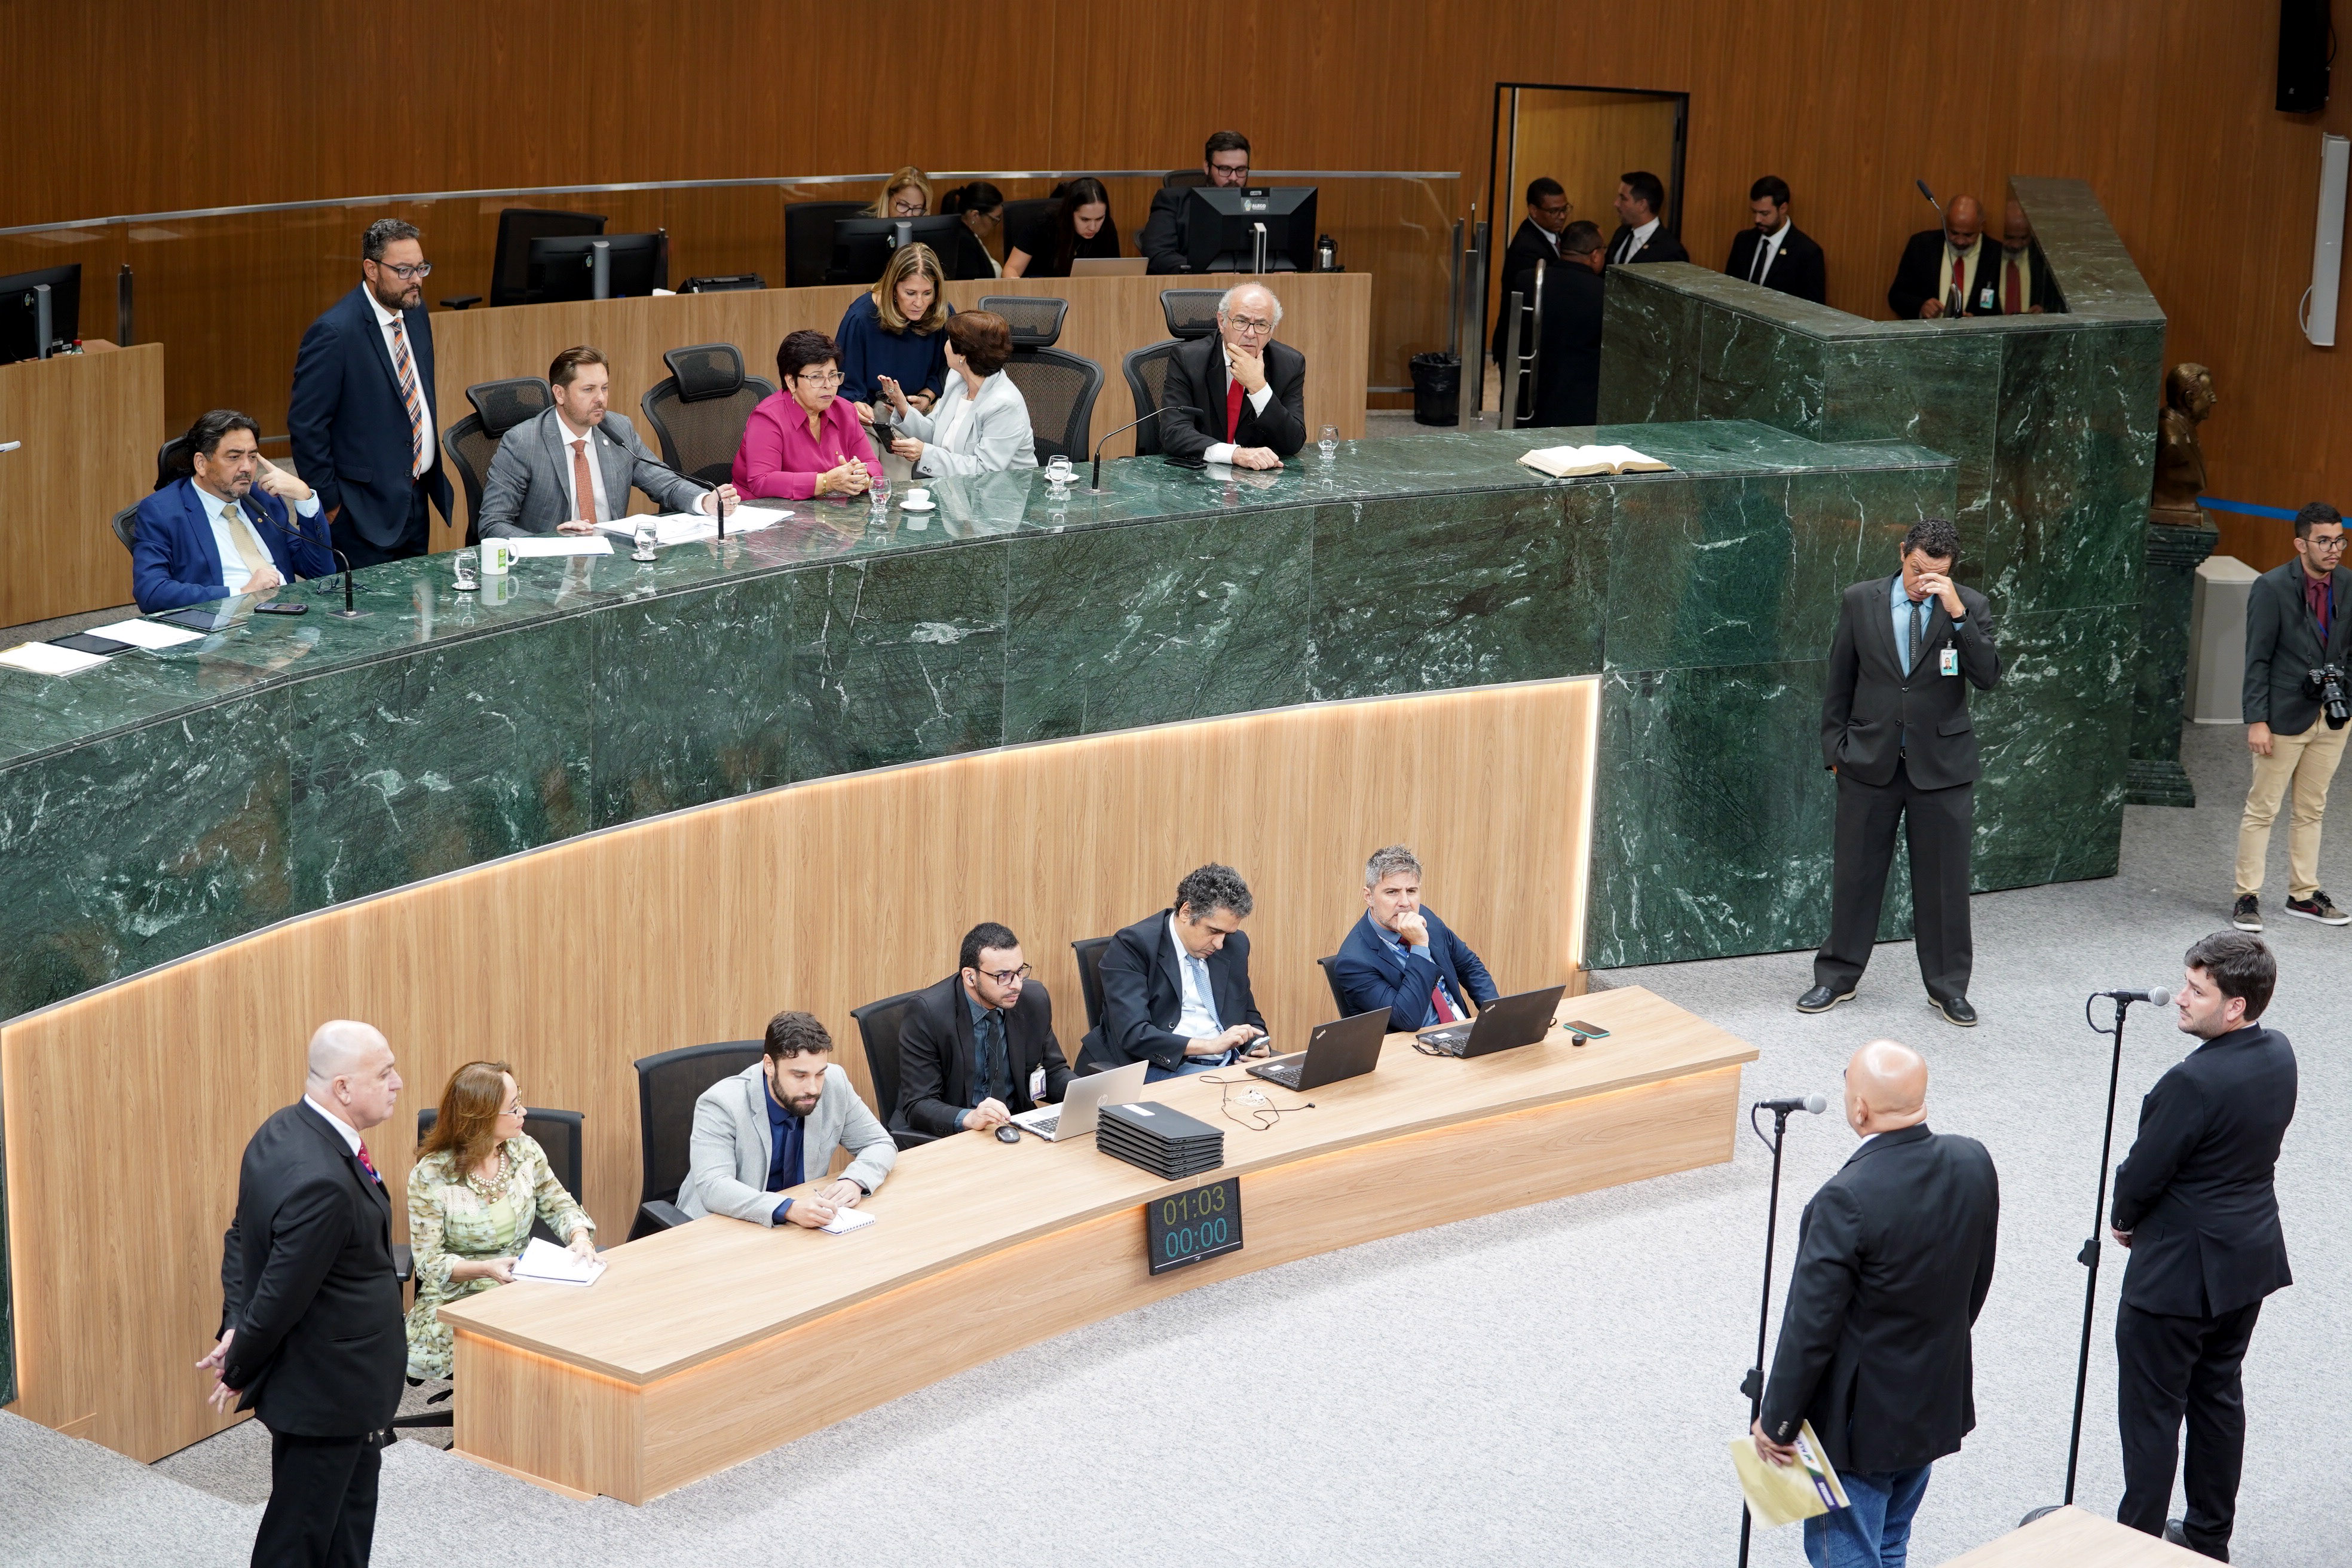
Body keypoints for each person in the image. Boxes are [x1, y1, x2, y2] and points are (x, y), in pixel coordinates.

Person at [1752, 1039, 1999, 1568]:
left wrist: (1778, 1422)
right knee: (1890, 1543)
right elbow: (1976, 1284)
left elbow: (1810, 1327)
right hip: (1933, 1399)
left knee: (1846, 1555)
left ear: (1860, 1108)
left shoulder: (1845, 1197)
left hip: (1857, 1428)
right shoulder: (1973, 1160)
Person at [2111, 932, 2297, 1559]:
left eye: (2197, 990)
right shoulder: (2279, 1053)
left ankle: (2137, 1545)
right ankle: (2209, 1536)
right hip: (2247, 1260)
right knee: (2217, 1395)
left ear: (2236, 1006)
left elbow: (2144, 1172)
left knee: (2153, 1414)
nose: (2181, 998)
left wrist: (2124, 1218)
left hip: (2175, 1276)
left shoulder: (2191, 1081)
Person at [199, 1021, 406, 1568]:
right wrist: (239, 1362)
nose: (398, 1083)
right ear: (343, 1088)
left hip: (346, 1391)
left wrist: (235, 1324)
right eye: (384, 1074)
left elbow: (242, 1239)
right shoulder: (323, 1180)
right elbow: (281, 1295)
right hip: (328, 1391)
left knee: (347, 1525)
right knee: (298, 1539)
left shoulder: (280, 1131)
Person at [1802, 518, 2001, 1025]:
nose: (1922, 582)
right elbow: (1839, 679)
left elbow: (1987, 676)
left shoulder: (1969, 606)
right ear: (1902, 553)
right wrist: (1835, 750)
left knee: (1944, 885)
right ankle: (1836, 977)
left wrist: (1958, 615)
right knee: (1856, 876)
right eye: (1916, 569)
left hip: (1943, 768)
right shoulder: (1859, 600)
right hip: (1869, 761)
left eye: (1936, 574)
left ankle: (1948, 988)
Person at [402, 1060, 596, 1380]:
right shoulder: (431, 1175)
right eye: (514, 1107)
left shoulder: (525, 1150)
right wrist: (486, 1269)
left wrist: (580, 1237)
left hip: (523, 1284)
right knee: (511, 1353)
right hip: (458, 1297)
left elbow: (560, 1204)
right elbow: (429, 1262)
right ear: (481, 1117)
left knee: (575, 1334)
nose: (524, 1113)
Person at [288, 218, 456, 566]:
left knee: (415, 598)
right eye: (404, 270)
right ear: (372, 269)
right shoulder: (334, 333)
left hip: (415, 498)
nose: (416, 280)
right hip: (360, 514)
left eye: (421, 268)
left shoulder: (415, 311)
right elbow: (307, 426)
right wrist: (331, 505)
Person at [2233, 502, 2352, 930]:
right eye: (2324, 541)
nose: (2334, 549)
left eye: (2339, 540)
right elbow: (2257, 658)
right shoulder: (2271, 587)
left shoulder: (2349, 584)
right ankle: (2246, 896)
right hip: (2282, 716)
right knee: (2262, 809)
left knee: (2312, 809)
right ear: (2301, 544)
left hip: (2333, 717)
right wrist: (2257, 719)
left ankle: (2303, 894)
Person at [474, 346, 737, 537]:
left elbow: (665, 483)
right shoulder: (523, 442)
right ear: (560, 394)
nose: (600, 398)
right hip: (548, 574)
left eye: (604, 388)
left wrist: (704, 500)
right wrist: (550, 543)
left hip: (612, 562)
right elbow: (492, 524)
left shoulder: (617, 429)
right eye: (588, 390)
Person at [679, 1010, 896, 1227]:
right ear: (769, 1065)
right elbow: (715, 1187)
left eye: (820, 1074)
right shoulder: (721, 1103)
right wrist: (788, 1209)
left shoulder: (834, 1083)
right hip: (722, 1225)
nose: (813, 1088)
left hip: (799, 1224)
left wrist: (855, 1180)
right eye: (800, 1076)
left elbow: (879, 1143)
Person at [1082, 863, 1271, 1080]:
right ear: (1186, 912)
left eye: (1227, 934)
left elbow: (1246, 1012)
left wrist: (1257, 1044)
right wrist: (1210, 1046)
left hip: (1226, 1062)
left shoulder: (1235, 944)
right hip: (1157, 1065)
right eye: (1214, 931)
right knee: (1230, 1090)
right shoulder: (1133, 945)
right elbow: (1134, 1034)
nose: (1220, 944)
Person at [133, 409, 335, 611]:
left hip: (289, 615)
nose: (247, 467)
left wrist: (305, 498)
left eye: (252, 456)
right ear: (201, 464)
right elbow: (151, 592)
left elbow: (321, 573)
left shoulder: (262, 499)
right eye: (234, 457)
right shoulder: (163, 512)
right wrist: (241, 593)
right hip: (224, 622)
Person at [896, 921, 1073, 1137]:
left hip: (1016, 1127)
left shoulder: (1033, 1001)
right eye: (1003, 976)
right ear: (970, 977)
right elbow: (919, 1103)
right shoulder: (928, 1013)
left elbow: (1051, 1072)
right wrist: (969, 1118)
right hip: (957, 1134)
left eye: (1019, 972)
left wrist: (1086, 1092)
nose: (1017, 985)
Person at [1333, 845, 1500, 1032]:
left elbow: (1469, 966)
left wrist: (1495, 1015)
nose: (1405, 903)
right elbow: (1407, 1018)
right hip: (1415, 1044)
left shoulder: (1426, 918)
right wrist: (1419, 946)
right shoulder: (1353, 963)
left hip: (1460, 1030)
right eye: (1392, 892)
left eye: (1411, 891)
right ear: (1369, 896)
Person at [1157, 282, 1307, 470]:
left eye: (1261, 325)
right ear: (1222, 322)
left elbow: (1293, 442)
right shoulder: (1188, 359)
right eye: (1241, 322)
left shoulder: (1289, 364)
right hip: (1198, 475)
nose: (1251, 334)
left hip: (1258, 479)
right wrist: (1235, 454)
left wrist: (1259, 387)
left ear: (1272, 330)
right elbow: (1173, 432)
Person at [881, 310, 1038, 477]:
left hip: (1001, 490)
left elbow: (986, 470)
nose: (945, 345)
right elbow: (935, 432)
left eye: (949, 340)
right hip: (955, 486)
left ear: (963, 355)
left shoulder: (1004, 405)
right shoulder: (957, 379)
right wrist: (902, 406)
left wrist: (925, 454)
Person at [732, 329, 880, 501]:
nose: (828, 385)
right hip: (765, 511)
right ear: (791, 382)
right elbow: (762, 481)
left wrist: (862, 478)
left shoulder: (845, 411)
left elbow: (873, 465)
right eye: (816, 377)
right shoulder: (767, 418)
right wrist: (827, 482)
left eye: (833, 376)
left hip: (826, 511)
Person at [835, 241, 953, 422]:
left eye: (927, 293)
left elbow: (950, 368)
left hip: (923, 412)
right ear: (893, 289)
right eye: (910, 293)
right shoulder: (860, 318)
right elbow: (845, 383)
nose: (919, 303)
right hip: (874, 414)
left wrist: (927, 396)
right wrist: (856, 404)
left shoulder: (941, 312)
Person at [1526, 220, 1608, 428]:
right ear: (1595, 255)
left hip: (1530, 400)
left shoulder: (1527, 282)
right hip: (1580, 409)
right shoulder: (1605, 294)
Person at [1141, 130, 1253, 274]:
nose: (1234, 178)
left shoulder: (1257, 205)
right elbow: (1158, 254)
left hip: (1249, 284)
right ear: (1207, 167)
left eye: (1241, 170)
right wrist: (1206, 272)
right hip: (1191, 282)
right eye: (1225, 169)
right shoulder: (1173, 201)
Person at [1491, 176, 1573, 364]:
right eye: (1554, 211)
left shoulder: (1551, 233)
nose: (1562, 216)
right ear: (1534, 210)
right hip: (1522, 346)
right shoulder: (1527, 248)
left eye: (1565, 209)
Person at [1725, 175, 1828, 305]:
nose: (1757, 220)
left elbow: (1813, 308)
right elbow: (1728, 290)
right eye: (1754, 212)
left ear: (1783, 208)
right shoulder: (1743, 241)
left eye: (1764, 214)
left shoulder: (1808, 253)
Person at [1888, 194, 1992, 320]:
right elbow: (1897, 296)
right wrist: (1921, 306)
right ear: (1945, 223)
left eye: (1968, 235)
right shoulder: (1921, 246)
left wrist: (1978, 321)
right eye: (1954, 233)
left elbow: (2002, 310)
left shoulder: (1996, 254)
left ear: (1981, 226)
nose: (1960, 241)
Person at [1003, 177, 1121, 278]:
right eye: (1085, 219)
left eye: (1099, 219)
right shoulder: (1040, 224)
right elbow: (1011, 269)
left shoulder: (1107, 226)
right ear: (1069, 213)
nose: (1093, 227)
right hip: (1040, 292)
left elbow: (1115, 272)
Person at [1604, 171, 1688, 265]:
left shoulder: (1670, 251)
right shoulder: (1621, 233)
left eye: (1623, 198)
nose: (1616, 203)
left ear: (1642, 205)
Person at [1989, 197, 2050, 314]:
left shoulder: (2043, 261)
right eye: (2009, 238)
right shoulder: (1986, 256)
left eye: (2023, 238)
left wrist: (2045, 313)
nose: (2016, 245)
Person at [938, 180, 1006, 280]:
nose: (995, 225)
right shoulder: (964, 242)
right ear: (975, 215)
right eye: (994, 219)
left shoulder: (967, 236)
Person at [867, 166, 932, 221]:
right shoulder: (865, 226)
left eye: (917, 208)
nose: (909, 215)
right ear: (889, 197)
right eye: (903, 205)